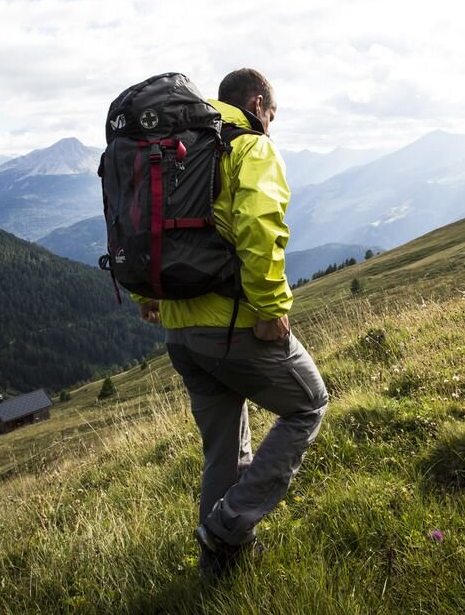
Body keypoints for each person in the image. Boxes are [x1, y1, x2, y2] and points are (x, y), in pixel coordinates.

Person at [136, 68, 329, 581]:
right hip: (232, 326)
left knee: (223, 452)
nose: (271, 125)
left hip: (180, 331)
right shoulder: (248, 146)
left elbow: (138, 220)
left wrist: (145, 292)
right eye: (273, 116)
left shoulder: (172, 147)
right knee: (309, 404)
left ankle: (218, 572)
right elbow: (260, 229)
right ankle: (228, 526)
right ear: (258, 103)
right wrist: (269, 309)